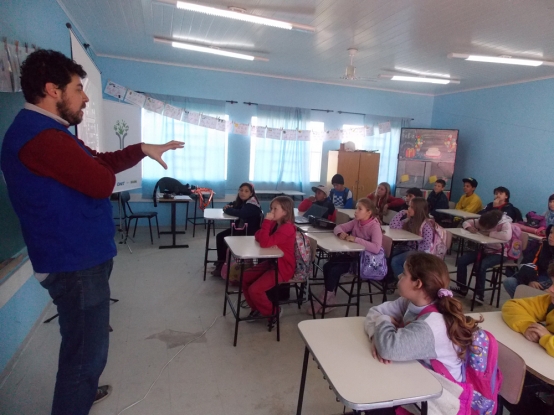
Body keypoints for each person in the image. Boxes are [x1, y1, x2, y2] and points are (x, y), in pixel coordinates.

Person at [0, 49, 183, 415]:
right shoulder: (43, 138)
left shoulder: (51, 133)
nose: (85, 97)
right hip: (75, 264)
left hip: (80, 258)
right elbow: (101, 181)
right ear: (53, 90)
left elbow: (99, 161)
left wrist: (142, 149)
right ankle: (75, 397)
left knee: (83, 348)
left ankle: (81, 391)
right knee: (85, 355)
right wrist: (100, 166)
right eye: (79, 88)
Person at [365, 252, 483, 414]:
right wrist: (375, 336)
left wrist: (383, 321)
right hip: (419, 380)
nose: (399, 275)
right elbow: (374, 312)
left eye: (404, 274)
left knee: (373, 398)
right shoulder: (411, 301)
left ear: (417, 284)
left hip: (440, 400)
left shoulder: (432, 324)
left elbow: (388, 348)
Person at [310, 198, 382, 315]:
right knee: (328, 266)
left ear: (369, 213)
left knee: (334, 270)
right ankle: (330, 297)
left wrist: (356, 239)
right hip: (351, 256)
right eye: (356, 208)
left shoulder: (374, 226)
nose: (356, 211)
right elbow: (338, 227)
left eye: (360, 209)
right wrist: (340, 233)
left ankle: (324, 298)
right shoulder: (356, 222)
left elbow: (376, 248)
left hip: (363, 262)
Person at [243, 196, 296, 321]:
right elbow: (258, 236)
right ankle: (256, 308)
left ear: (285, 211)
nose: (271, 212)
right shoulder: (275, 224)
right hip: (272, 262)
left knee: (255, 290)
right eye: (271, 208)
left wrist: (266, 223)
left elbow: (264, 242)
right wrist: (266, 231)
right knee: (245, 277)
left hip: (283, 267)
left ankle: (273, 312)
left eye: (275, 209)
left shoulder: (287, 228)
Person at [452, 210, 512, 302]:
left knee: (481, 265)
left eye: (485, 228)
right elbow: (466, 222)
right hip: (485, 250)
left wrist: (489, 234)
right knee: (462, 260)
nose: (482, 228)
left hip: (499, 253)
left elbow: (507, 236)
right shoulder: (483, 219)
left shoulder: (504, 223)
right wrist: (469, 228)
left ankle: (479, 295)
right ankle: (462, 288)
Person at [502, 262, 554, 357]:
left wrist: (546, 338)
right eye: (552, 283)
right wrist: (528, 326)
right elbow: (513, 305)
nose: (550, 289)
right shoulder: (549, 301)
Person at [211, 182, 262, 277]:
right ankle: (221, 262)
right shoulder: (242, 202)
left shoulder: (253, 205)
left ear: (251, 193)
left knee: (225, 239)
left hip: (249, 234)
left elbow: (241, 213)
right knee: (220, 236)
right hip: (240, 229)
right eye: (241, 190)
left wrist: (227, 209)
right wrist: (227, 207)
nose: (243, 193)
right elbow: (231, 205)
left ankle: (222, 265)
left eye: (246, 191)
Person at [389, 197, 440, 279]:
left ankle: (405, 283)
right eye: (409, 206)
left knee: (395, 261)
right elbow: (393, 226)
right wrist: (402, 212)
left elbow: (426, 244)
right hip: (408, 247)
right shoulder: (410, 220)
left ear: (418, 209)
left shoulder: (426, 224)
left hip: (420, 251)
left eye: (412, 207)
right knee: (388, 254)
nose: (409, 209)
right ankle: (391, 279)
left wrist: (413, 248)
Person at [503, 225, 554, 298]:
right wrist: (531, 280)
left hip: (549, 284)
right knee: (509, 282)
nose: (550, 236)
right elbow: (527, 262)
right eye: (551, 232)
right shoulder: (543, 246)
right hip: (536, 277)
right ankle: (524, 303)